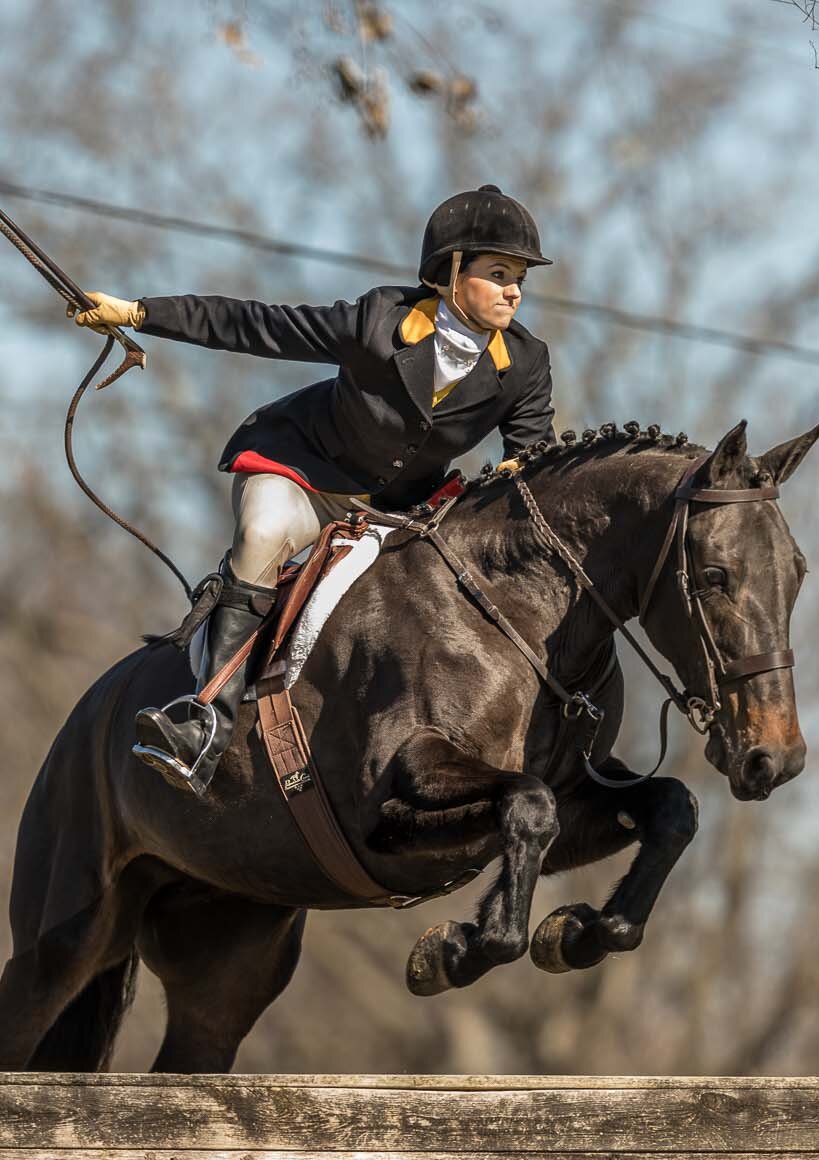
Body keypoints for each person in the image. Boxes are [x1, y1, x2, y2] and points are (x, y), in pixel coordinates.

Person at [69, 185, 557, 795]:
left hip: (403, 506)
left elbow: (531, 456)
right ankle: (203, 725)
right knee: (262, 537)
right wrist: (140, 313)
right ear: (452, 273)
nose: (515, 290)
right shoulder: (377, 323)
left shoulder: (526, 362)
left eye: (520, 278)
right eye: (499, 273)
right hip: (307, 473)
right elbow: (256, 325)